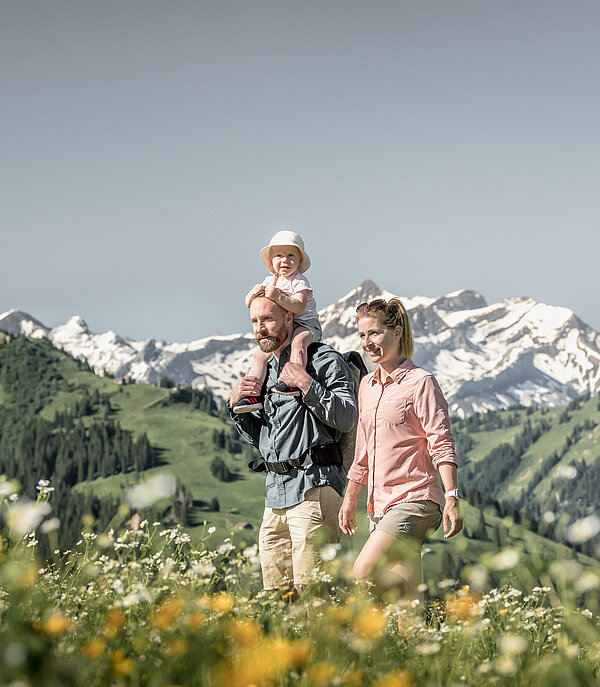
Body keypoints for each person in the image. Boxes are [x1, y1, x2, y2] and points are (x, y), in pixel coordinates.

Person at [229, 293, 357, 594]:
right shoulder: (264, 372)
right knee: (277, 598)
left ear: (289, 318)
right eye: (255, 322)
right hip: (274, 497)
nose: (260, 328)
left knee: (313, 597)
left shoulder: (324, 360)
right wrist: (236, 406)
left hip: (314, 488)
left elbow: (348, 417)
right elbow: (260, 438)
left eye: (268, 319)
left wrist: (307, 384)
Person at [338, 298, 463, 602]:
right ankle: (426, 637)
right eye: (363, 336)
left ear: (396, 332)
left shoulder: (421, 383)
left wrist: (452, 498)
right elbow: (364, 450)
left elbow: (441, 441)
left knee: (363, 571)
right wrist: (350, 497)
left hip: (416, 499)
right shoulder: (367, 385)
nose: (368, 343)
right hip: (380, 505)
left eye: (375, 334)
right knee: (406, 600)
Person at [233, 230, 322, 414]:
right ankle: (251, 394)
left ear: (299, 261)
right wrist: (254, 292)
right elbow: (249, 302)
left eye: (291, 256)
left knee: (298, 343)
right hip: (284, 327)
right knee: (260, 356)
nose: (285, 260)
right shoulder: (269, 280)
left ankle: (293, 381)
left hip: (306, 325)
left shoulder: (299, 281)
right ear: (271, 262)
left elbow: (298, 306)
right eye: (279, 256)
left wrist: (279, 296)